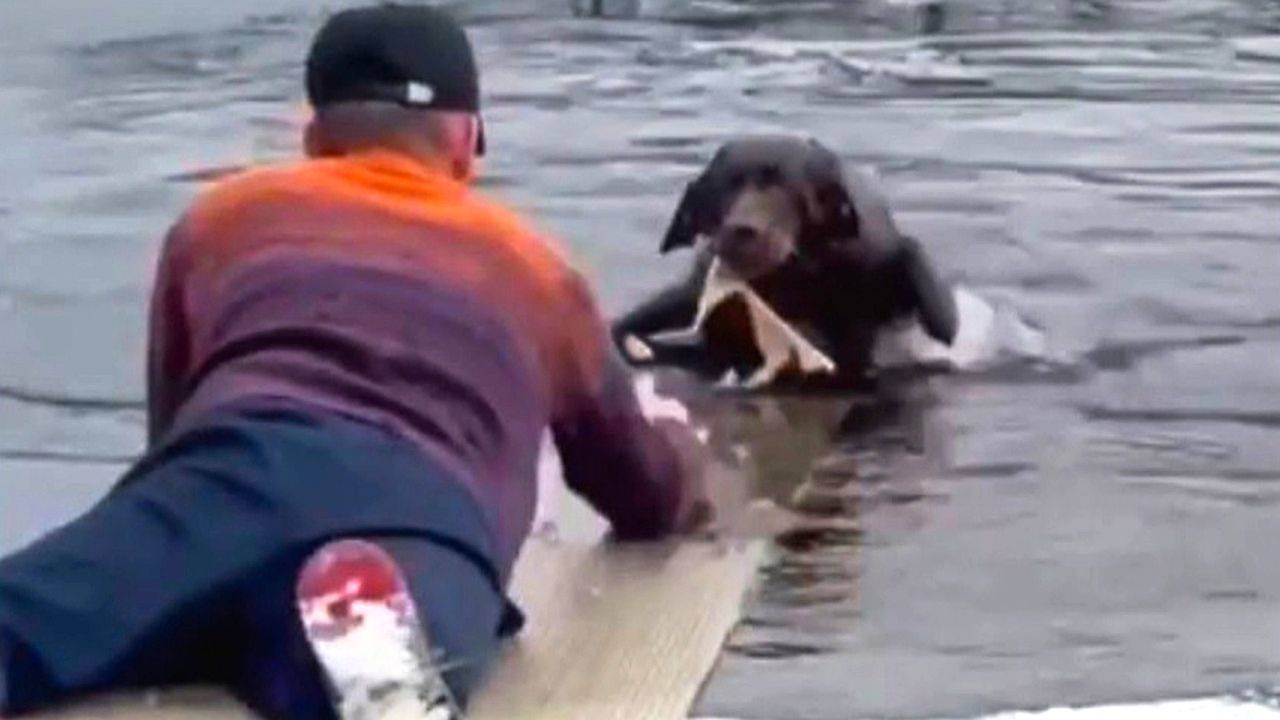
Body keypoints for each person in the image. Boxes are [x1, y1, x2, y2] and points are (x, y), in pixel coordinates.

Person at [0, 4, 713, 719]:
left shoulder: (221, 218)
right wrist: (690, 460)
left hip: (228, 472)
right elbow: (642, 490)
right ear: (466, 142)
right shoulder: (536, 269)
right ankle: (355, 655)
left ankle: (250, 616)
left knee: (45, 620)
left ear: (313, 136)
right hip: (421, 506)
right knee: (391, 643)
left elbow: (173, 419)